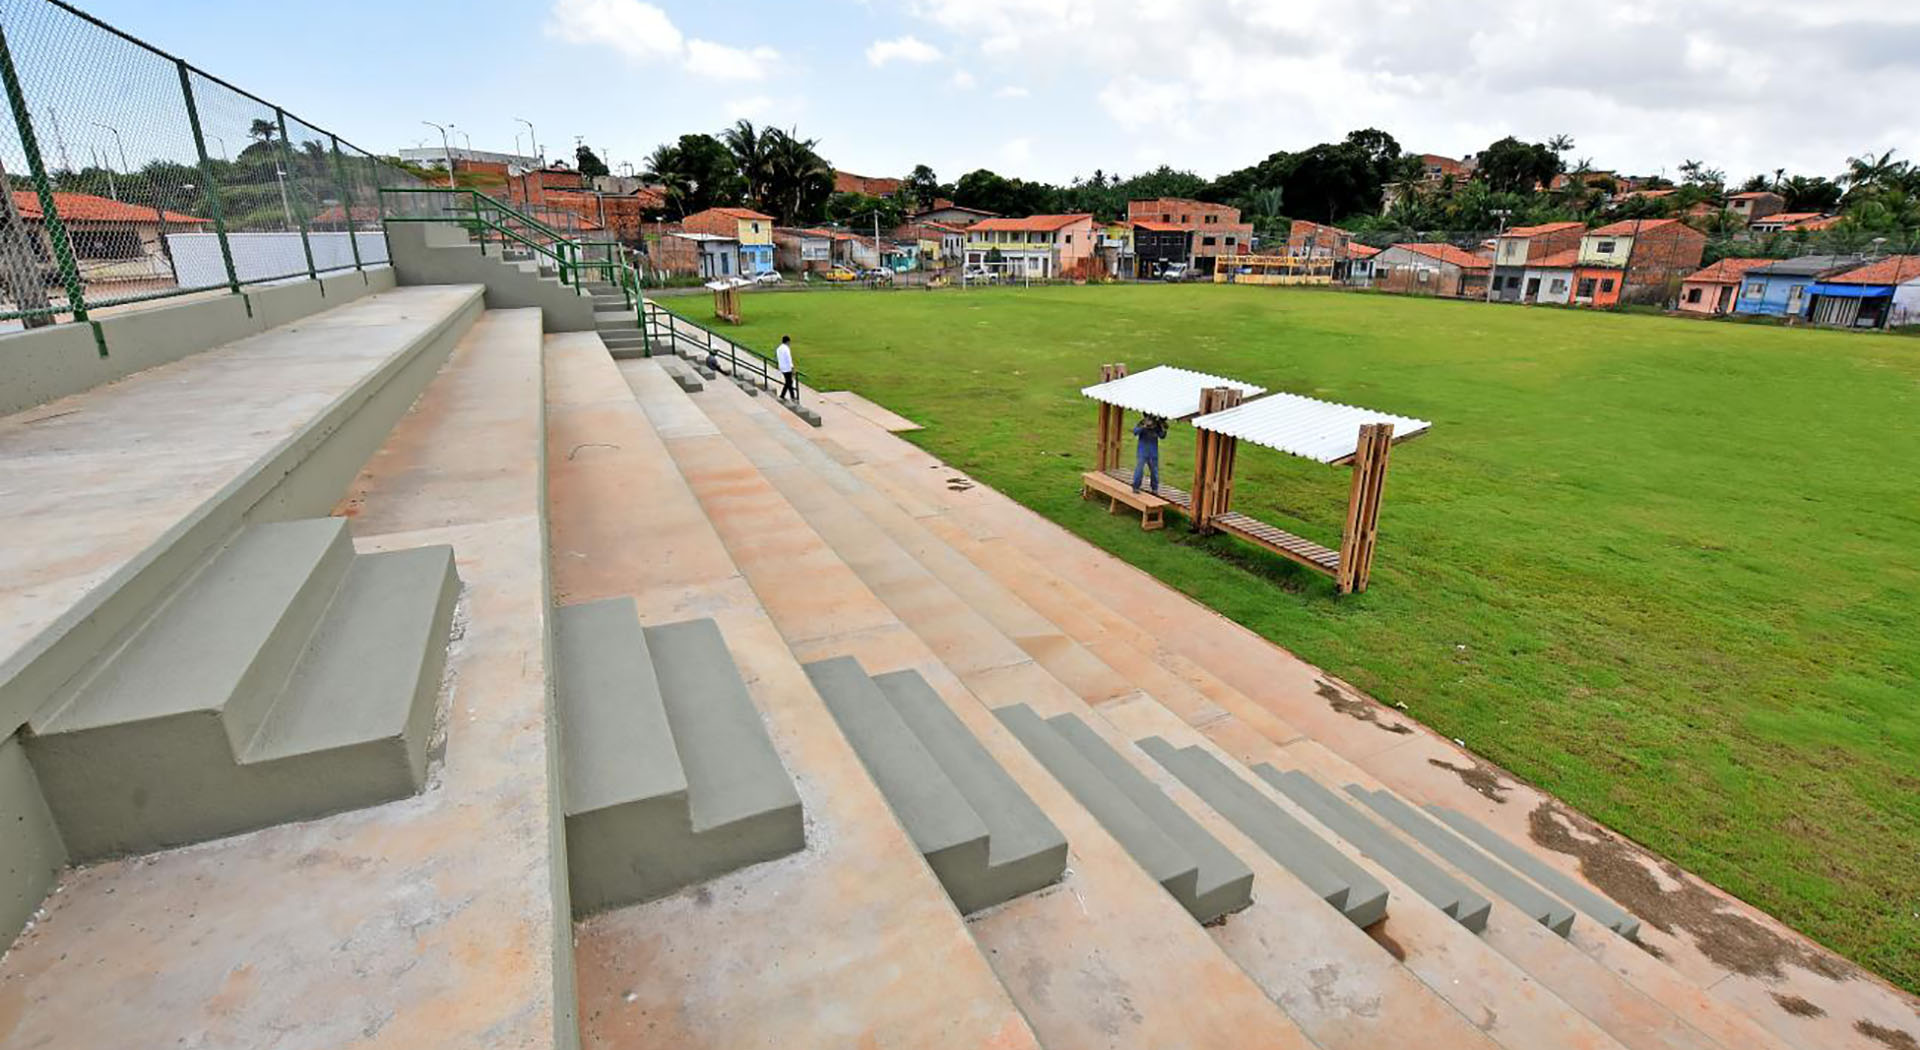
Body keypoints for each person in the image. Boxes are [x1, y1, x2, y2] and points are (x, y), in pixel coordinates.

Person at [1132, 414, 1167, 494]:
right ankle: (1136, 487)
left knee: (1154, 471)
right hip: (1143, 451)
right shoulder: (1142, 423)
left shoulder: (1157, 425)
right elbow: (1135, 432)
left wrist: (1163, 428)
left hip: (1153, 452)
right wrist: (1144, 426)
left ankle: (1154, 489)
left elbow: (1162, 436)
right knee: (1139, 469)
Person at [775, 335, 797, 401]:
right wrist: (792, 367)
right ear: (787, 341)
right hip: (787, 368)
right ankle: (783, 395)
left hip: (782, 367)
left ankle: (792, 396)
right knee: (789, 381)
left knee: (789, 381)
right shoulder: (786, 349)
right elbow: (788, 358)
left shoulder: (778, 348)